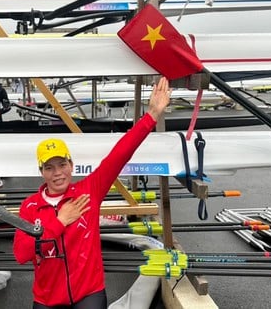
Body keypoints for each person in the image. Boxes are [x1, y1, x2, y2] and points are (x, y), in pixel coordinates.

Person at [13, 77, 171, 309]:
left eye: (62, 165)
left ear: (71, 164)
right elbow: (21, 254)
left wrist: (152, 115)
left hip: (88, 293)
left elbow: (120, 153)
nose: (57, 173)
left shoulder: (88, 191)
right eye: (49, 167)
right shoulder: (30, 207)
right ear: (41, 171)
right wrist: (59, 222)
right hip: (47, 299)